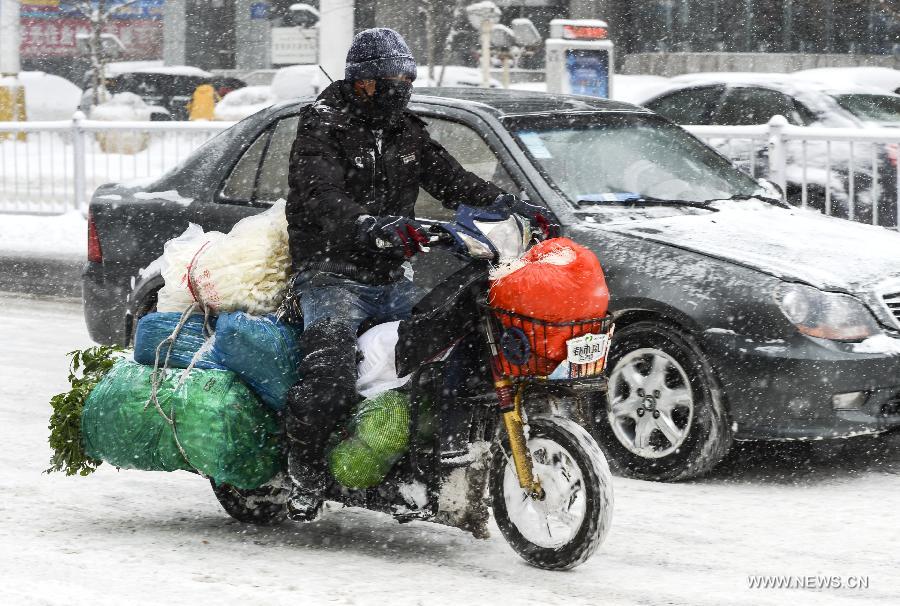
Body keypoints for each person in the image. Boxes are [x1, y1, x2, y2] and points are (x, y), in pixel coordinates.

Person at [283, 27, 524, 516]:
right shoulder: (321, 129)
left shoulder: (407, 132)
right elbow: (323, 198)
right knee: (330, 376)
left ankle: (414, 466)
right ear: (361, 82)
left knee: (441, 357)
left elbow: (452, 180)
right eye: (388, 79)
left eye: (406, 78)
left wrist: (510, 205)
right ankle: (302, 471)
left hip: (391, 277)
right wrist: (369, 225)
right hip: (331, 276)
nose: (400, 87)